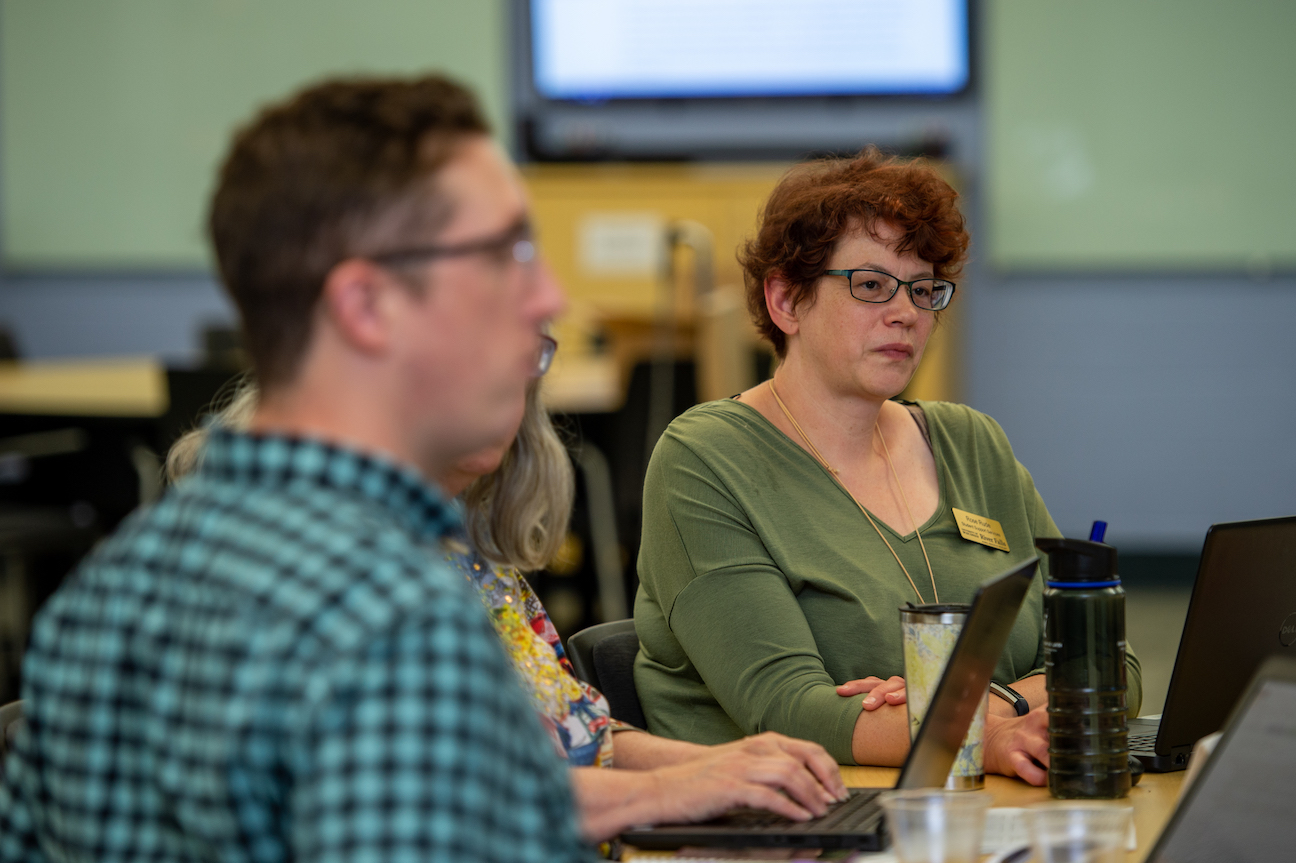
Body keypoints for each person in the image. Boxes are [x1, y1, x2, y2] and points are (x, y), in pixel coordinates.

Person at [0, 75, 585, 862]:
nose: (546, 294)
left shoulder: (103, 596)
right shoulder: (396, 618)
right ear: (366, 306)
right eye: (502, 256)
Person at [633, 148, 1142, 784]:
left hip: (981, 810)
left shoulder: (971, 442)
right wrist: (982, 732)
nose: (906, 311)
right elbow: (788, 710)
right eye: (871, 285)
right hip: (785, 831)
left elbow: (1106, 664)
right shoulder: (705, 460)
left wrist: (994, 708)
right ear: (786, 300)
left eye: (924, 289)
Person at [166, 371, 848, 846]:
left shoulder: (469, 554)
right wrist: (677, 794)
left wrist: (726, 767)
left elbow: (582, 738)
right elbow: (439, 797)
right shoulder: (305, 553)